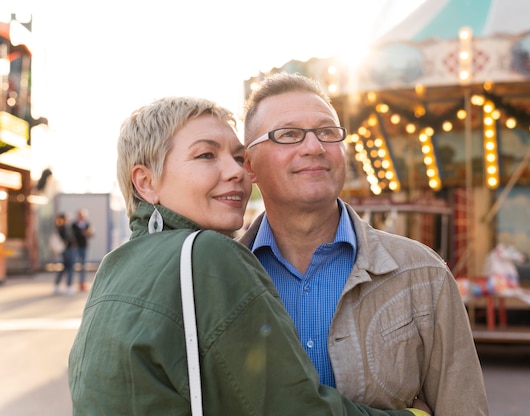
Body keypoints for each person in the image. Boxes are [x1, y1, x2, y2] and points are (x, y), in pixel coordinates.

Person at [68, 96, 428, 416]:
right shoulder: (208, 255)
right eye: (207, 155)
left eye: (239, 157)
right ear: (146, 182)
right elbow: (294, 408)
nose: (237, 171)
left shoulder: (114, 267)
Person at [239, 72, 489, 414]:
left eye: (327, 132)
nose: (313, 147)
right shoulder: (219, 281)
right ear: (249, 165)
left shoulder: (422, 275)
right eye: (288, 135)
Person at [53, 212, 77, 295]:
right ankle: (69, 286)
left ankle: (57, 285)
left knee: (65, 267)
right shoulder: (63, 227)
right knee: (70, 268)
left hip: (67, 250)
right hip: (68, 250)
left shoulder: (63, 227)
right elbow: (69, 238)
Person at [71, 208, 94, 291]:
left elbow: (91, 234)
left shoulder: (87, 224)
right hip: (76, 247)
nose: (81, 217)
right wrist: (82, 233)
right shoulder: (73, 225)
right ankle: (70, 284)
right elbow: (72, 235)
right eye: (80, 215)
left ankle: (82, 284)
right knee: (72, 265)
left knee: (83, 266)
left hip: (84, 247)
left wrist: (88, 233)